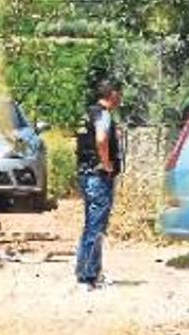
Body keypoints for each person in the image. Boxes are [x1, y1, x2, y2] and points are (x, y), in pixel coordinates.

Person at [75, 78, 123, 290]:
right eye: (119, 94)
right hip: (98, 176)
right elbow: (102, 140)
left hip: (85, 175)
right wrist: (107, 164)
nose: (120, 98)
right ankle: (89, 277)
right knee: (96, 228)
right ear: (112, 94)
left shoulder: (88, 113)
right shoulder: (102, 114)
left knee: (90, 227)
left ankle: (86, 271)